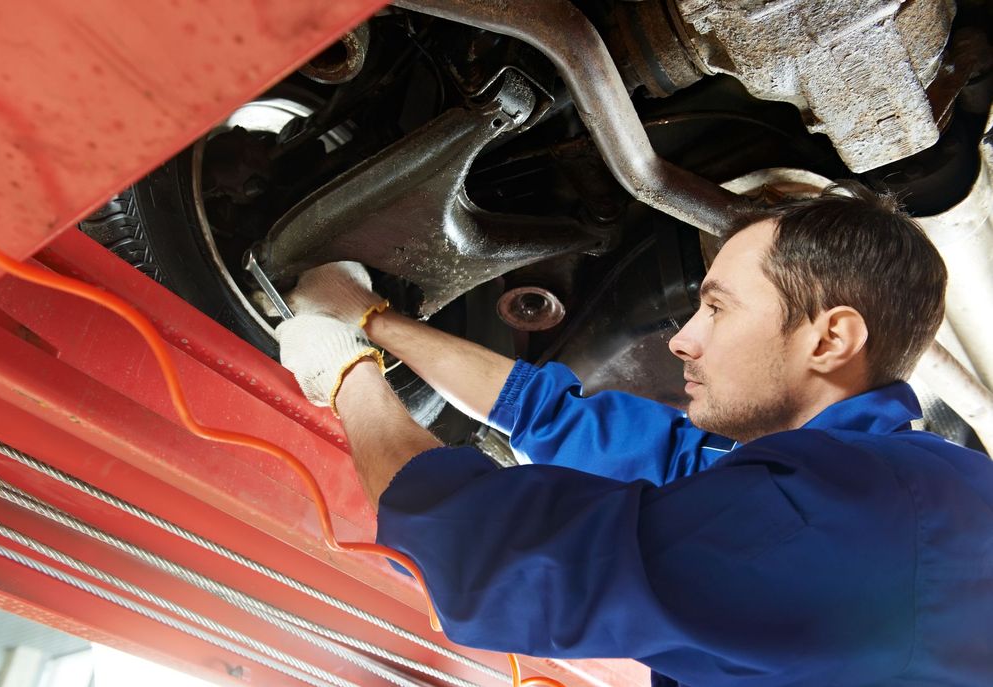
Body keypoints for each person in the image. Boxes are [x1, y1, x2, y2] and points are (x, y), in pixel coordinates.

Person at [274, 182, 993, 686]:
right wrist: (370, 317)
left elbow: (491, 554)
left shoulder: (833, 520)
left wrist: (346, 374)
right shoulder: (852, 485)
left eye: (717, 308)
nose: (683, 338)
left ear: (830, 338)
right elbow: (554, 420)